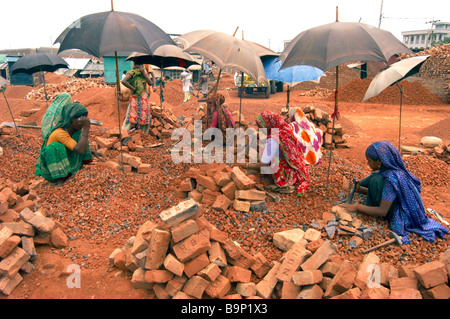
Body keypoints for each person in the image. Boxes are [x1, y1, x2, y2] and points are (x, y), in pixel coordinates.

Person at [341, 140, 449, 244]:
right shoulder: (389, 171)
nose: (368, 163)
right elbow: (384, 193)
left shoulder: (391, 180)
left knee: (375, 179)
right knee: (375, 177)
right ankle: (369, 204)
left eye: (369, 160)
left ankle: (371, 210)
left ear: (379, 161)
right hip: (393, 202)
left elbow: (382, 210)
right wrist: (359, 189)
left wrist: (357, 207)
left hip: (401, 212)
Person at [239, 111, 309, 195]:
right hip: (298, 172)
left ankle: (283, 184)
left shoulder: (273, 139)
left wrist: (245, 165)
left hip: (289, 175)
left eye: (261, 127)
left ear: (268, 124)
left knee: (259, 168)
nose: (259, 130)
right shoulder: (284, 130)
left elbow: (263, 164)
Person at [35, 93, 94, 184]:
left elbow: (76, 146)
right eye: (80, 121)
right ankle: (60, 179)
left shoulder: (74, 132)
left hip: (65, 162)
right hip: (52, 169)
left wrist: (93, 152)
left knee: (80, 136)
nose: (82, 123)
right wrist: (86, 128)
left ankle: (84, 163)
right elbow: (79, 149)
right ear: (72, 119)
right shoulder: (59, 133)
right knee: (56, 146)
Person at [121, 62, 153, 133]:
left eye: (142, 65)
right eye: (139, 64)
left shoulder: (143, 74)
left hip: (143, 96)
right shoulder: (132, 73)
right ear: (135, 65)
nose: (141, 66)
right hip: (135, 97)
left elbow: (150, 83)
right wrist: (132, 88)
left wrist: (144, 73)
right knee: (132, 114)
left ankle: (143, 133)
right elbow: (124, 81)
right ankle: (125, 132)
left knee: (144, 115)